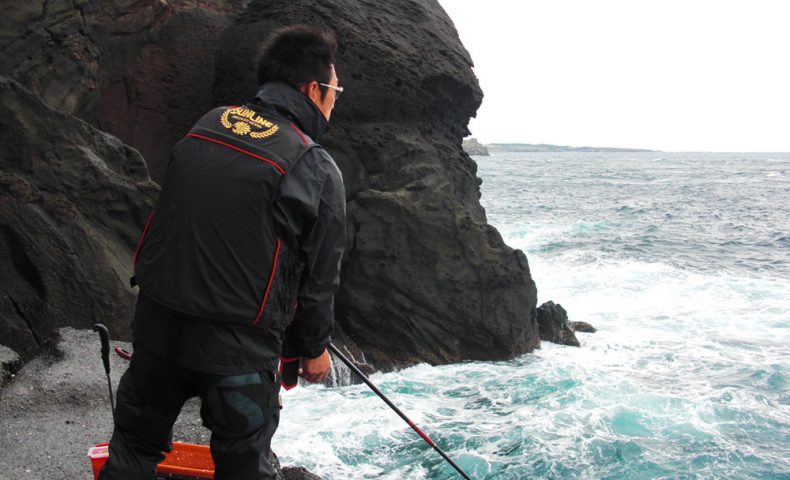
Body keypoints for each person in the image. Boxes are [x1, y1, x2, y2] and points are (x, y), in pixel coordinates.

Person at [99, 25, 346, 480]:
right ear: (314, 89)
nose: (335, 99)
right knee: (242, 464)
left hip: (158, 326)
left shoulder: (206, 124)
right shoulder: (313, 164)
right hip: (238, 349)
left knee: (133, 448)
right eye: (335, 89)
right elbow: (320, 276)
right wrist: (311, 350)